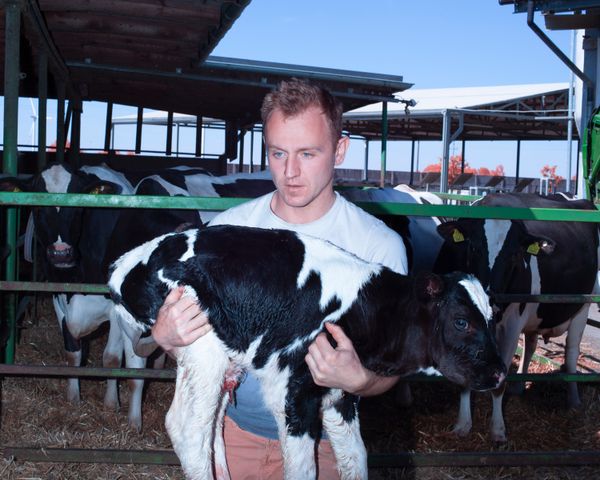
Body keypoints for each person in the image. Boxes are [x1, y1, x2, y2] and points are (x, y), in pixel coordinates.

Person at [152, 78, 408, 479]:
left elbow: (391, 368)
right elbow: (198, 347)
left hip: (323, 444)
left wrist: (360, 380)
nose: (290, 172)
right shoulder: (227, 233)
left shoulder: (377, 249)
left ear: (340, 150)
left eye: (308, 153)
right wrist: (169, 339)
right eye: (277, 153)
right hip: (233, 438)